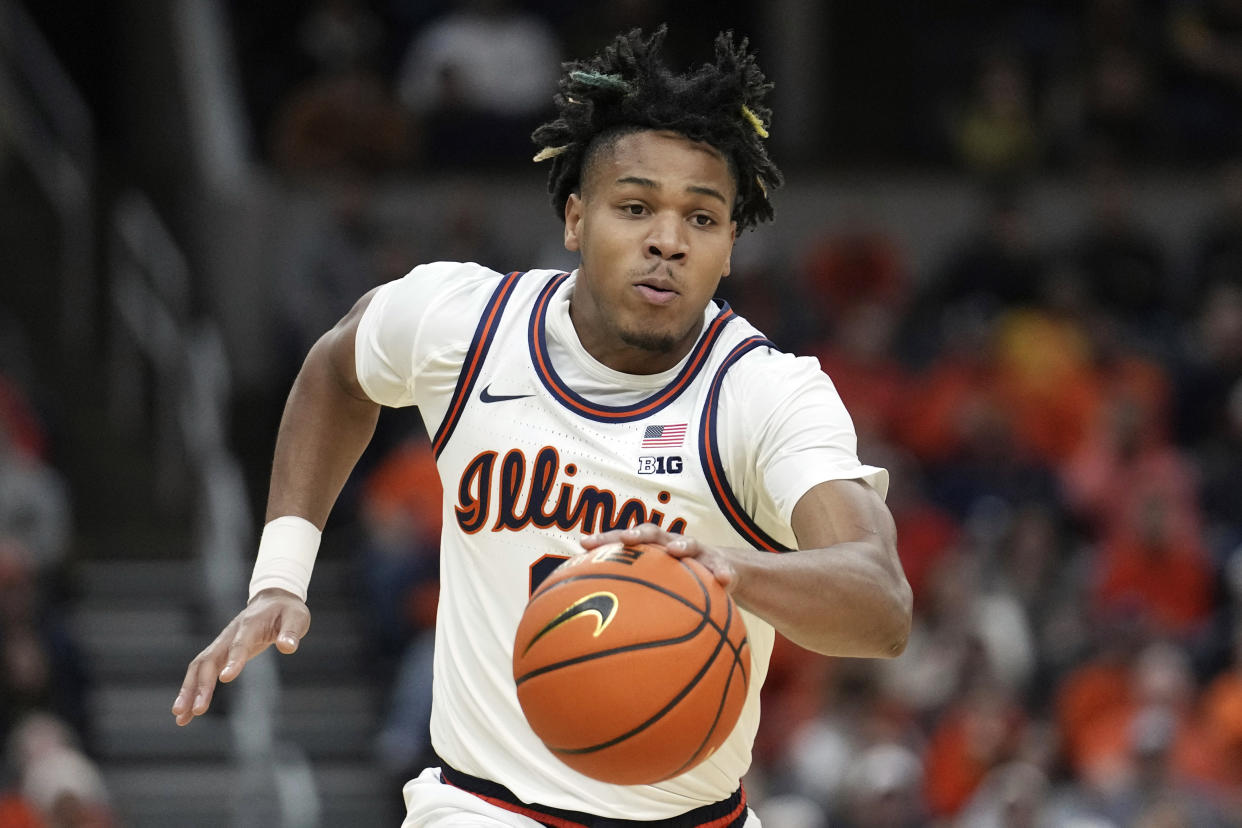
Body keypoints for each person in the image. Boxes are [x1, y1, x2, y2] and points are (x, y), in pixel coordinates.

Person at [172, 27, 912, 826]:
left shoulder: (767, 393)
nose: (667, 240)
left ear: (730, 244)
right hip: (484, 809)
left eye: (702, 219)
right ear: (574, 218)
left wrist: (728, 573)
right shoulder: (466, 324)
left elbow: (882, 602)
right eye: (635, 208)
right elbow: (335, 370)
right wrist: (281, 573)